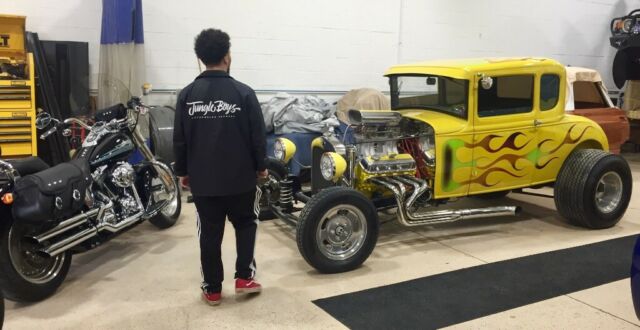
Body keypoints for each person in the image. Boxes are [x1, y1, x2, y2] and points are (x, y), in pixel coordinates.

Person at [173, 28, 267, 306]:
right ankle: (244, 278)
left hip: (204, 182)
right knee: (246, 223)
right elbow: (257, 136)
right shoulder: (244, 93)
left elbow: (180, 139)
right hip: (241, 180)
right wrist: (261, 167)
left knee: (209, 233)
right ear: (227, 56)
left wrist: (183, 172)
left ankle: (213, 289)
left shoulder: (187, 96)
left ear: (200, 58)